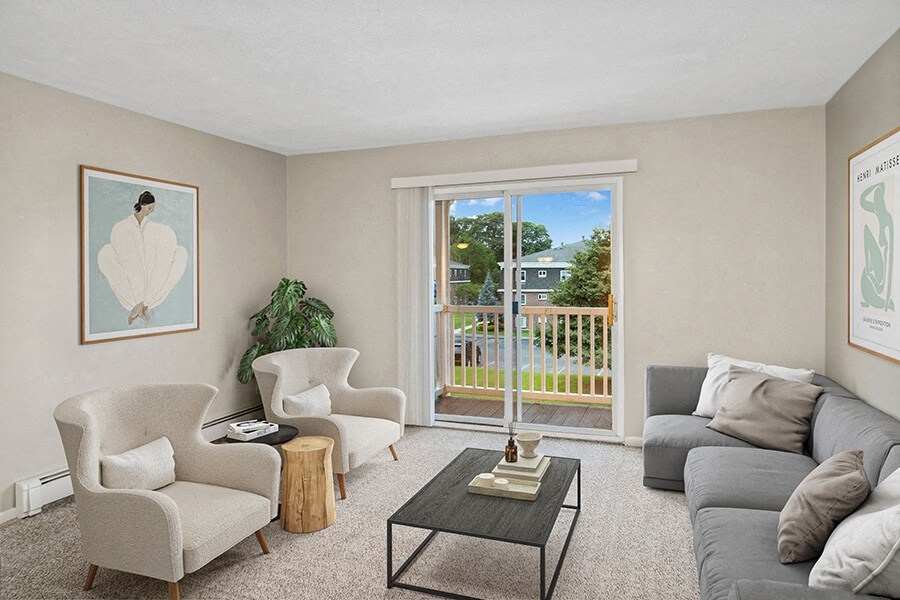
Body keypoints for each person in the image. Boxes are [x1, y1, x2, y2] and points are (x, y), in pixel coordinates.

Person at [97, 190, 187, 324]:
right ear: (144, 205)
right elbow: (126, 264)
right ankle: (139, 306)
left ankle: (142, 305)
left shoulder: (158, 231)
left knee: (181, 254)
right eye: (150, 208)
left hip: (152, 292)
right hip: (131, 290)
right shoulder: (121, 228)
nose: (151, 212)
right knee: (105, 254)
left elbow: (158, 266)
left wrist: (147, 298)